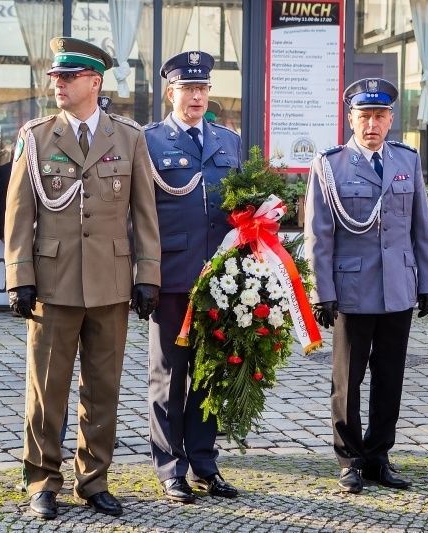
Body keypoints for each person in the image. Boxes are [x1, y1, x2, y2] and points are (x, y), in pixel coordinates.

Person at [4, 37, 161, 520]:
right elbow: (18, 212)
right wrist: (18, 275)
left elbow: (144, 214)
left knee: (102, 387)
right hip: (53, 281)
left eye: (67, 77)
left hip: (111, 283)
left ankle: (93, 479)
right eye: (55, 77)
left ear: (94, 81)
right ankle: (42, 480)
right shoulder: (36, 136)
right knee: (46, 388)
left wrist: (147, 274)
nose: (58, 84)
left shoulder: (129, 137)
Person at [304, 78, 428, 494]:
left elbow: (422, 227)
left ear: (391, 120)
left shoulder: (405, 161)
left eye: (380, 116)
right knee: (347, 381)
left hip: (398, 288)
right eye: (364, 116)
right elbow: (319, 234)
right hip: (352, 290)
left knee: (390, 378)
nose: (372, 125)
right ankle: (350, 460)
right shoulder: (330, 166)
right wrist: (321, 290)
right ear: (351, 118)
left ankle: (380, 455)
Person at [143, 50, 241, 504]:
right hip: (172, 277)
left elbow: (240, 208)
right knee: (169, 374)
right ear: (171, 92)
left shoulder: (229, 141)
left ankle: (204, 462)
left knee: (210, 375)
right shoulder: (150, 141)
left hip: (221, 280)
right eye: (188, 88)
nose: (196, 96)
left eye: (202, 88)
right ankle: (170, 467)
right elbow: (136, 216)